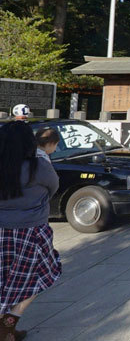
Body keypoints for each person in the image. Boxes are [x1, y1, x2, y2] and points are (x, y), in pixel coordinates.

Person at [0, 121, 61, 341]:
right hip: (31, 231)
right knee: (39, 277)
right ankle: (8, 324)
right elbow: (53, 187)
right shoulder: (38, 166)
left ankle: (6, 328)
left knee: (2, 280)